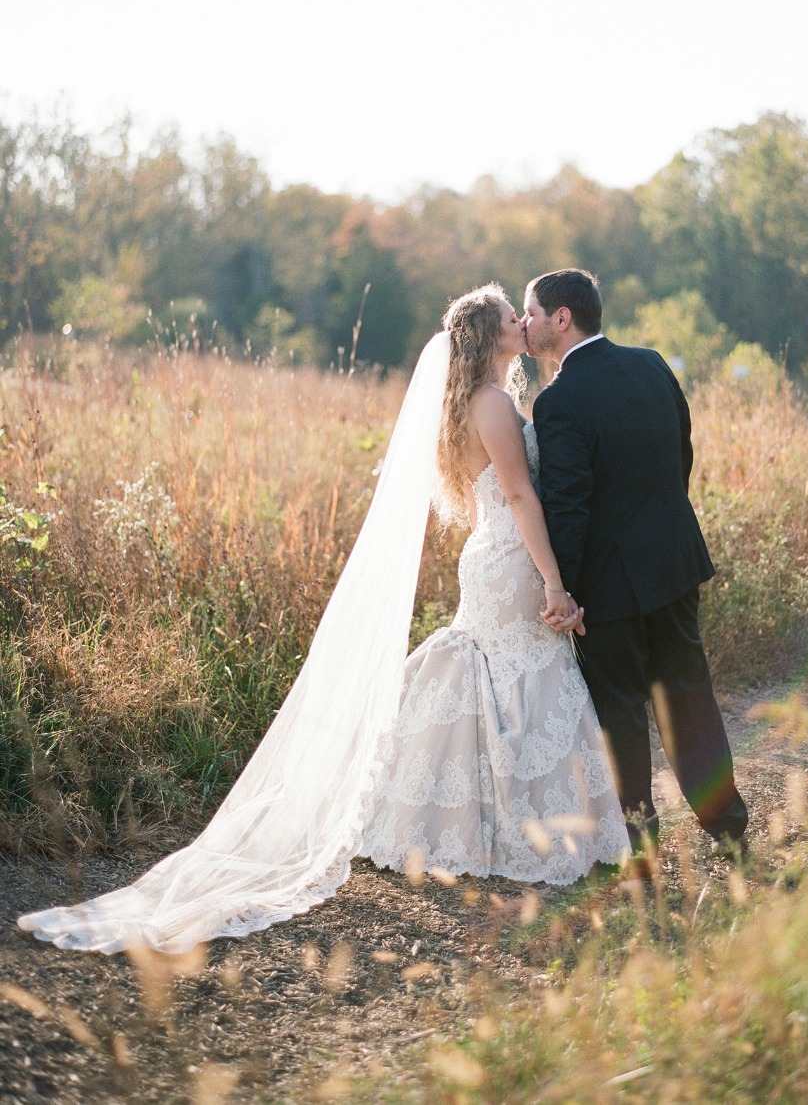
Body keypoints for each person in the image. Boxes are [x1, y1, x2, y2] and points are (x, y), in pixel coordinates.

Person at [18, 284, 628, 955]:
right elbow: (516, 493)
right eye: (511, 316)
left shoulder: (467, 408)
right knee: (522, 675)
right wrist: (551, 578)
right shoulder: (494, 404)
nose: (522, 322)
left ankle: (463, 824)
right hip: (513, 559)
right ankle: (531, 828)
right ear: (491, 338)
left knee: (494, 677)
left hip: (487, 558)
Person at [522, 268, 748, 856]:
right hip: (674, 564)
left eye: (533, 313)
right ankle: (728, 830)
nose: (527, 324)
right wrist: (661, 530)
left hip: (609, 587)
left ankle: (639, 846)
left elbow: (569, 505)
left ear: (561, 317)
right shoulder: (651, 363)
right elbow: (682, 452)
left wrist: (565, 590)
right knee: (688, 695)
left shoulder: (560, 400)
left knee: (621, 713)